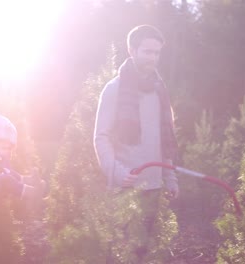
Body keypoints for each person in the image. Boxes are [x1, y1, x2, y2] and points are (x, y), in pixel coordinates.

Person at [93, 25, 179, 261]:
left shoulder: (160, 90)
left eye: (157, 53)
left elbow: (165, 138)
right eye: (147, 51)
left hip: (153, 187)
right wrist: (118, 174)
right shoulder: (114, 89)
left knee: (142, 253)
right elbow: (101, 137)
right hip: (125, 189)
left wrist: (170, 178)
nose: (153, 58)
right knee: (120, 253)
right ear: (131, 50)